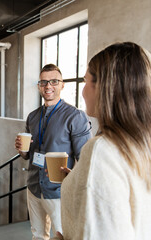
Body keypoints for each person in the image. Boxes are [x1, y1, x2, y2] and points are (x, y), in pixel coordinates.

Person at [55, 42, 151, 240]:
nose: (82, 92)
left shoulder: (102, 151)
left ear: (104, 86)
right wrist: (81, 178)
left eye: (86, 81)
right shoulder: (139, 145)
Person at [14, 64, 92, 239]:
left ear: (62, 84)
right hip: (34, 186)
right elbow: (29, 155)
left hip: (59, 191)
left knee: (64, 235)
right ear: (39, 86)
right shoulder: (33, 116)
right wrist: (22, 150)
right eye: (44, 82)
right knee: (38, 234)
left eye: (54, 81)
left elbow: (85, 159)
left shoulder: (75, 116)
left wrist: (75, 186)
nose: (48, 86)